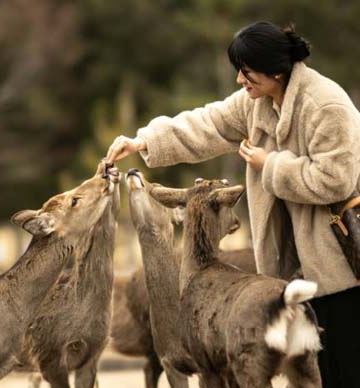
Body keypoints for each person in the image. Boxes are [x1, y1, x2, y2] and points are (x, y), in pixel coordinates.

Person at [105, 21, 360, 388]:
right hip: (294, 267)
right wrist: (143, 142)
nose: (240, 80)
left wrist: (268, 165)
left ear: (275, 69)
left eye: (246, 71)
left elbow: (335, 179)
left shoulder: (326, 105)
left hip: (339, 269)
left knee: (343, 368)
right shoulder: (257, 102)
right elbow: (207, 124)